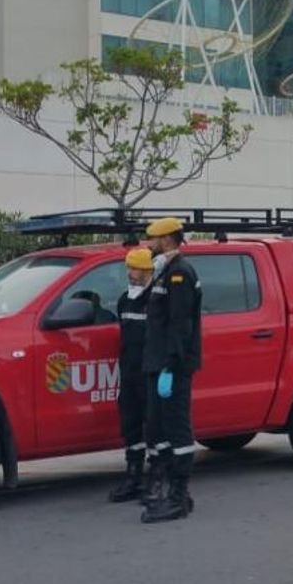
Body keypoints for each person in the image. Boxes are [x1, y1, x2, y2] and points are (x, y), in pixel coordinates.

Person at [140, 216, 203, 523]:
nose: (149, 244)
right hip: (157, 363)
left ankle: (179, 497)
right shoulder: (164, 272)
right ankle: (167, 488)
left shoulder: (180, 274)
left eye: (153, 239)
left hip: (172, 366)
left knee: (177, 429)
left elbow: (180, 324)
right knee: (157, 427)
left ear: (166, 240)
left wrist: (170, 364)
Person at [106, 247, 156, 503]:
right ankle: (134, 475)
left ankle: (157, 478)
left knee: (155, 426)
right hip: (129, 373)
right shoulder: (125, 300)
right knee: (131, 423)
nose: (130, 273)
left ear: (148, 271)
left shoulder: (155, 300)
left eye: (135, 269)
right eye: (129, 268)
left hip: (150, 373)